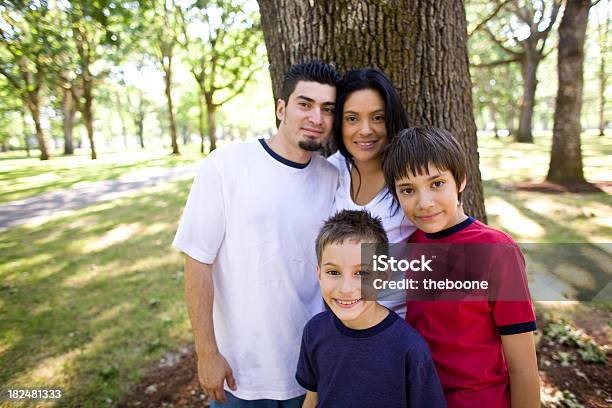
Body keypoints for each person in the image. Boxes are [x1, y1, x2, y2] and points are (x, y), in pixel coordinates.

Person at [173, 61, 341, 407]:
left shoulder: (332, 178)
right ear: (281, 108)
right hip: (240, 373)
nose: (316, 118)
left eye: (327, 109)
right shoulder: (226, 165)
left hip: (309, 370)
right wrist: (206, 353)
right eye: (304, 104)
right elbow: (198, 263)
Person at [382, 127, 540, 407]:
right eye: (408, 190)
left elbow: (524, 368)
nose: (425, 202)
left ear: (461, 180)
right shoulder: (411, 246)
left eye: (437, 183)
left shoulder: (496, 250)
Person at [296, 210, 446, 408]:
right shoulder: (314, 331)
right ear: (319, 273)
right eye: (333, 272)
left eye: (361, 273)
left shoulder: (409, 348)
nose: (346, 288)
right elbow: (312, 399)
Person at [327, 68, 415, 318]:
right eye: (352, 118)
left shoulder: (411, 176)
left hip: (397, 327)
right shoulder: (332, 170)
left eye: (377, 118)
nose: (365, 130)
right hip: (342, 326)